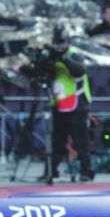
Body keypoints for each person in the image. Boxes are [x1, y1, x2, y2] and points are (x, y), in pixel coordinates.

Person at [39, 27, 95, 182]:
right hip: (58, 104)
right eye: (56, 42)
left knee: (80, 140)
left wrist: (63, 58)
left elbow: (80, 71)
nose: (58, 45)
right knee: (57, 140)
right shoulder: (51, 58)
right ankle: (51, 170)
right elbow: (43, 73)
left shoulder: (75, 55)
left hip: (77, 104)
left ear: (67, 43)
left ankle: (87, 171)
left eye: (61, 42)